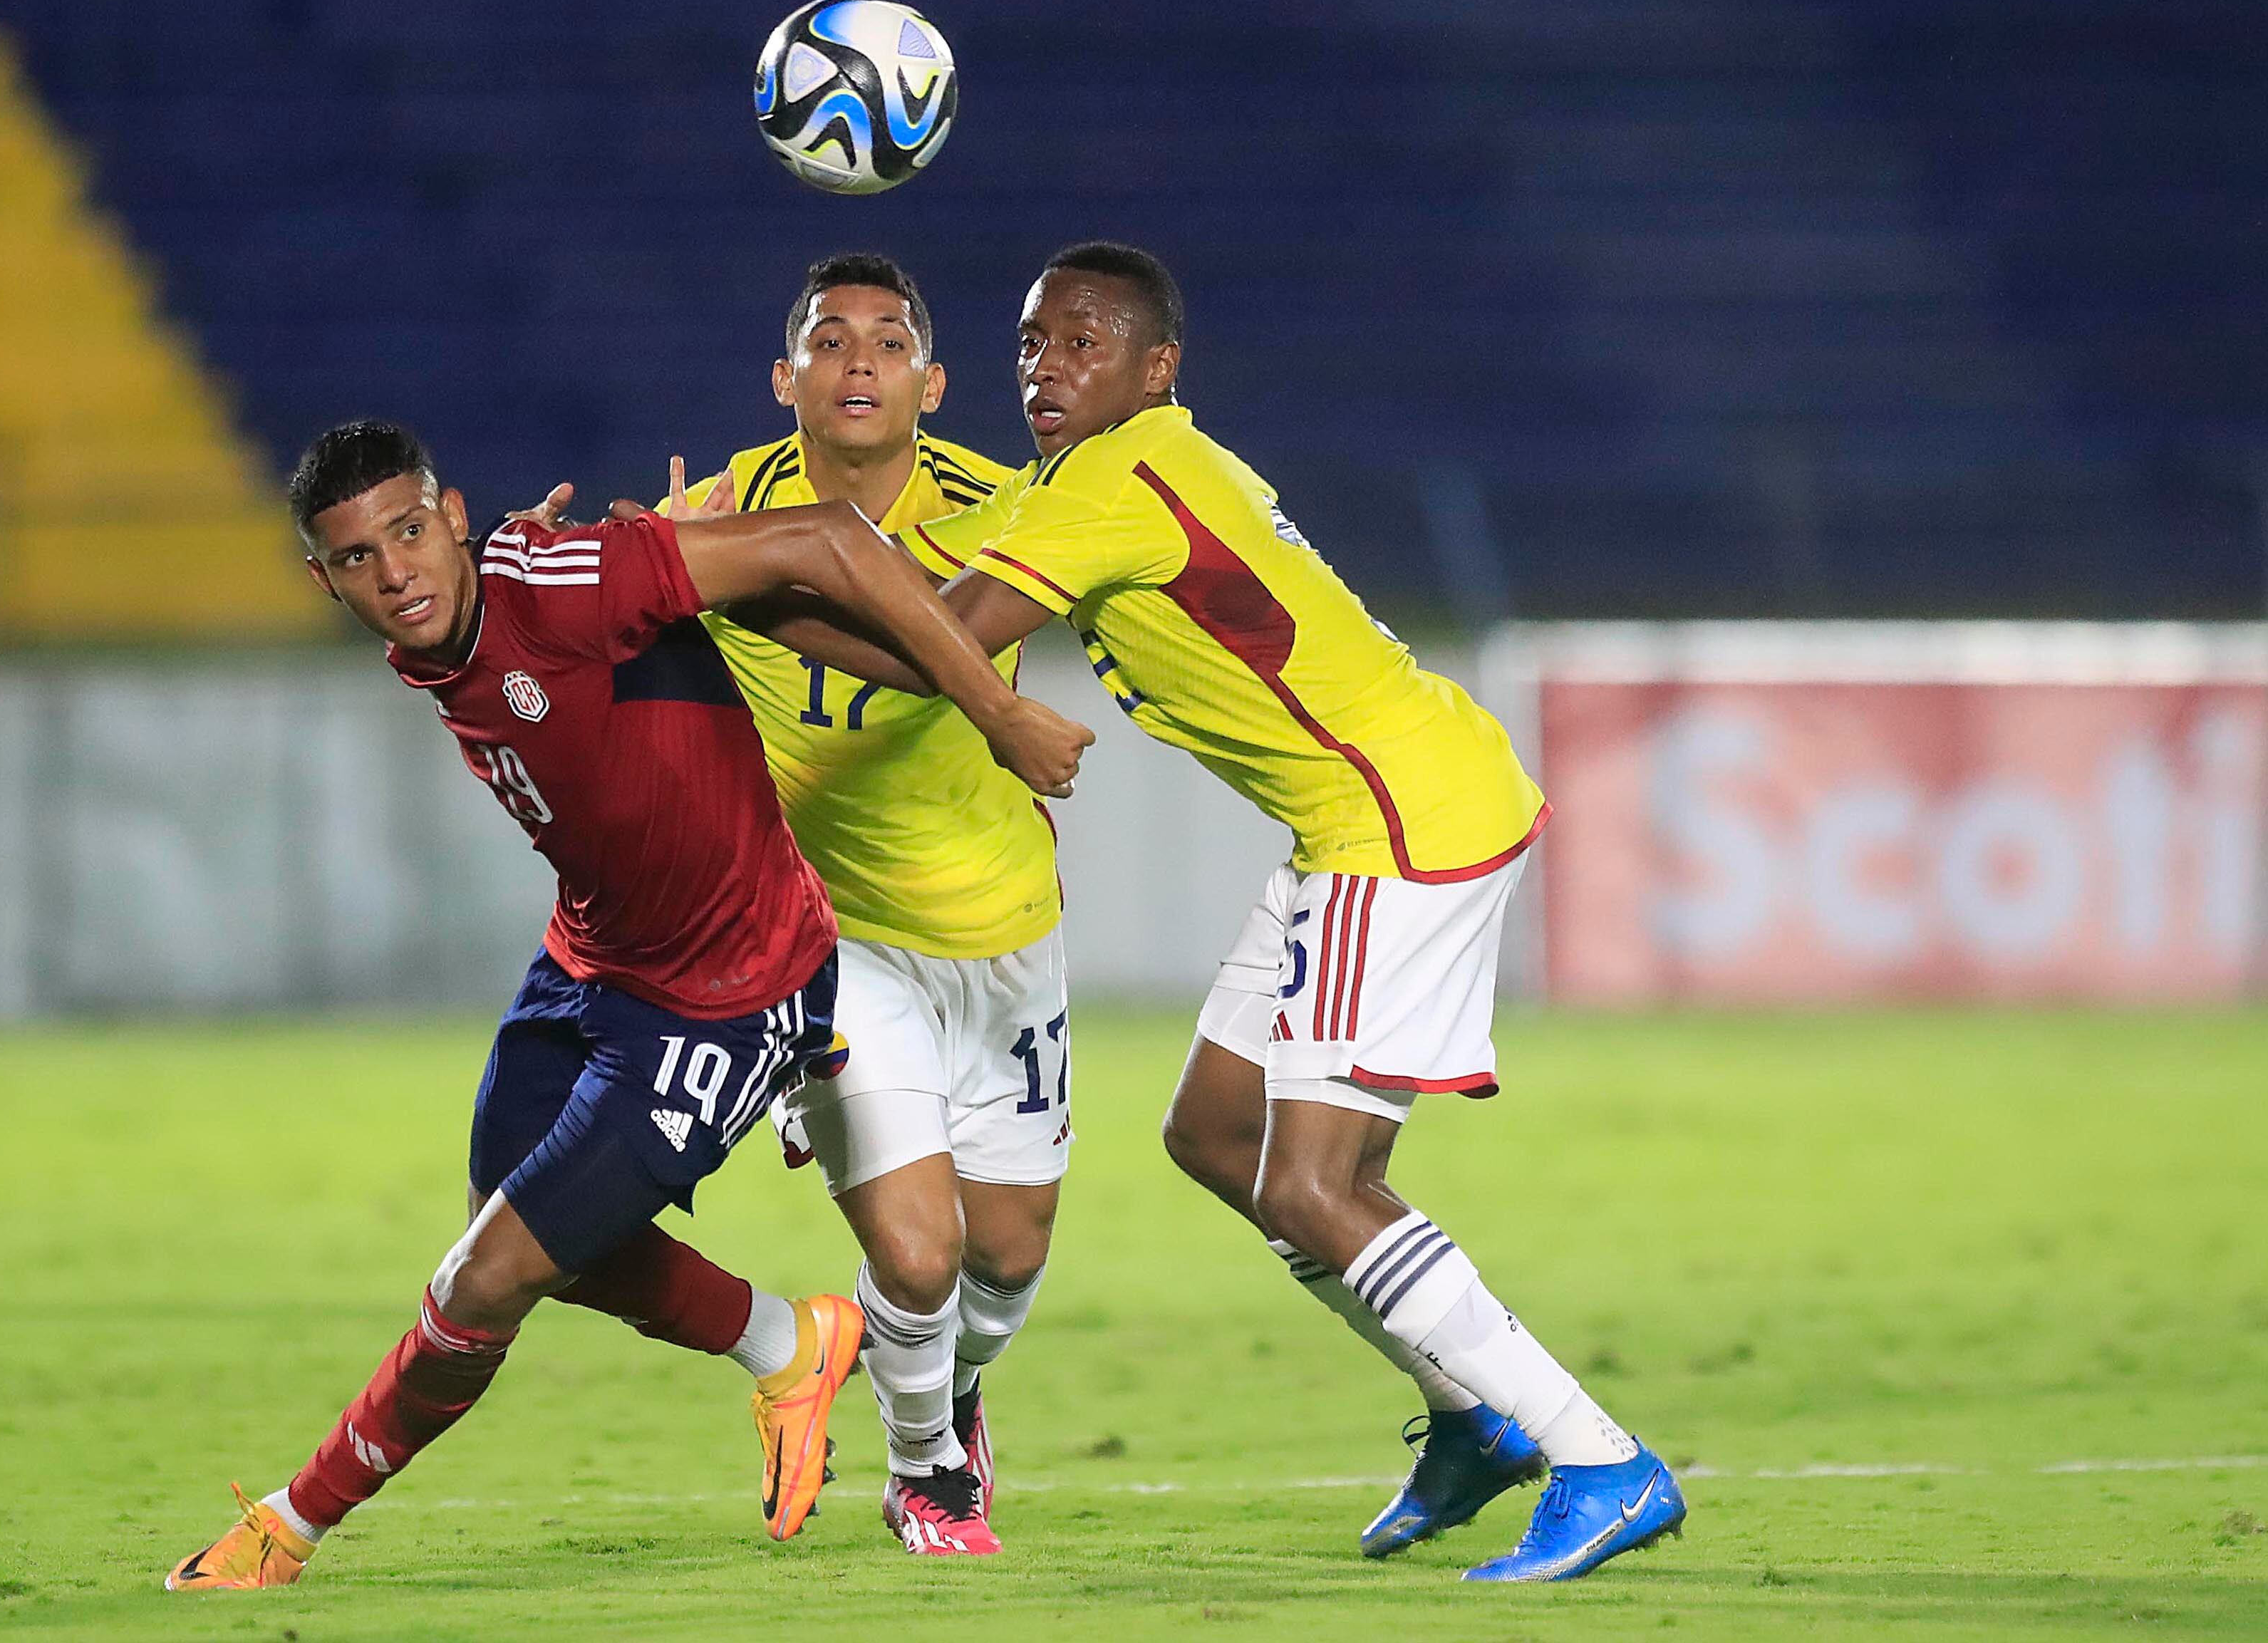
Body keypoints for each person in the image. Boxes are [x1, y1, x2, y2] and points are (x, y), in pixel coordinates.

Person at [727, 242, 1687, 1583]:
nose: (1047, 370)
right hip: (1365, 813)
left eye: (1084, 345)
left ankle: (1597, 1459)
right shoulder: (1109, 473)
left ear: (1156, 368)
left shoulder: (1114, 482)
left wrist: (735, 586)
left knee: (1313, 1183)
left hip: (1394, 823)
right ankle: (1474, 1421)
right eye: (1032, 344)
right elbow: (924, 603)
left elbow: (926, 645)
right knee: (1217, 1132)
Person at [165, 420, 1090, 1590]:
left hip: (731, 987)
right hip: (595, 960)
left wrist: (997, 711)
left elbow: (825, 536)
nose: (393, 572)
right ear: (324, 579)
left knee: (481, 1282)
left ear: (452, 519)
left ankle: (290, 1527)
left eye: (408, 533)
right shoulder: (451, 621)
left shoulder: (564, 582)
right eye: (358, 557)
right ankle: (792, 1343)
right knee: (505, 1221)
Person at [538, 254, 1067, 1556]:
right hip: (825, 941)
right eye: (829, 341)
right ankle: (927, 1470)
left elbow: (968, 641)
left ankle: (952, 1391)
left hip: (1000, 926)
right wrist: (607, 571)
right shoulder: (720, 513)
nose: (859, 360)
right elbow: (598, 640)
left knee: (1005, 1257)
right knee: (919, 1256)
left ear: (933, 385)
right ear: (784, 380)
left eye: (889, 341)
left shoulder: (1012, 513)